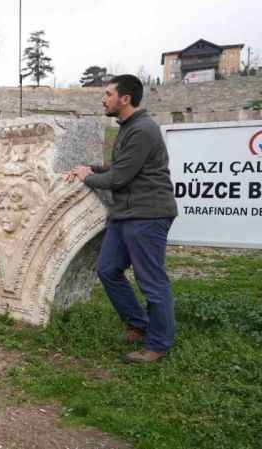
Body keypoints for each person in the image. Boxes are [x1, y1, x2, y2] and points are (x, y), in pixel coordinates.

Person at [67, 74, 178, 364]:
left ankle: (158, 343)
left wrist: (88, 177)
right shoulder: (129, 127)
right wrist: (91, 167)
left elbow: (120, 177)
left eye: (108, 94)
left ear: (125, 98)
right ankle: (138, 323)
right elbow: (120, 167)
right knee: (107, 269)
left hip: (147, 213)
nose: (103, 99)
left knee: (151, 281)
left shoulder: (143, 129)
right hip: (125, 214)